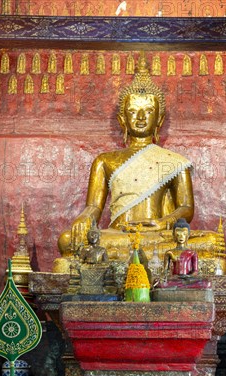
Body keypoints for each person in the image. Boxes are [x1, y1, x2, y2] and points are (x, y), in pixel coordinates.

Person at [57, 52, 194, 258]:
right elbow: (94, 206)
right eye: (133, 111)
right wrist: (84, 218)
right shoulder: (105, 161)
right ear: (122, 120)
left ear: (159, 120)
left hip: (156, 236)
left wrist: (163, 223)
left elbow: (186, 208)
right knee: (67, 240)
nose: (140, 117)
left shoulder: (173, 162)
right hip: (118, 235)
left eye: (148, 111)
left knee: (208, 241)